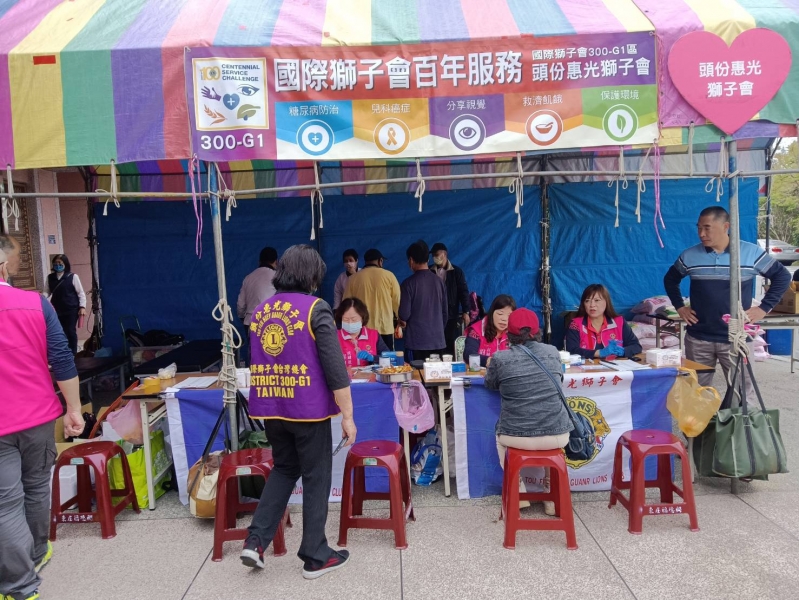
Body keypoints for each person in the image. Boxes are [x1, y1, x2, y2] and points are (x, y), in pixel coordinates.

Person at [243, 244, 356, 580]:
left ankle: (255, 541)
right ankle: (315, 554)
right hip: (308, 410)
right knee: (316, 476)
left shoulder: (261, 311)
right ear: (311, 276)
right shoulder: (315, 309)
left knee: (284, 469)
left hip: (272, 408)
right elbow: (335, 369)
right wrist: (348, 417)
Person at [1, 235, 85, 600]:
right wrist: (73, 408)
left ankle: (19, 587)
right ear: (4, 265)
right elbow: (62, 358)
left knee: (6, 504)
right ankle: (35, 555)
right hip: (37, 416)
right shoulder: (36, 303)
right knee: (35, 488)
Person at [664, 206, 791, 396]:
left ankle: (739, 417)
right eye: (699, 228)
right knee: (697, 393)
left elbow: (782, 276)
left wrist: (764, 308)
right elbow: (670, 279)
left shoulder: (750, 253)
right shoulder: (689, 256)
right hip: (699, 337)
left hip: (736, 338)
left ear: (725, 226)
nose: (701, 233)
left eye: (707, 228)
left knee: (742, 394)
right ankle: (703, 417)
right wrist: (680, 307)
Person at [484, 308, 573, 516]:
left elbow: (490, 384)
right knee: (553, 442)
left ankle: (519, 492)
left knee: (499, 439)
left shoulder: (500, 358)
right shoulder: (552, 352)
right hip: (558, 435)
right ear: (537, 331)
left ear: (509, 333)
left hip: (515, 435)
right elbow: (559, 379)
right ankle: (549, 496)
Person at [398, 240, 448, 362]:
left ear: (411, 260)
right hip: (437, 341)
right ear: (428, 259)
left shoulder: (408, 284)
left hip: (416, 342)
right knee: (435, 373)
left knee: (416, 373)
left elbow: (404, 314)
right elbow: (445, 313)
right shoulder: (439, 282)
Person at [343, 248, 400, 351]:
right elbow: (397, 302)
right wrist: (400, 321)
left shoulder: (353, 279)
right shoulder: (389, 276)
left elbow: (346, 305)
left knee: (364, 358)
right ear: (380, 261)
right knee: (387, 359)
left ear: (365, 262)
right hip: (385, 328)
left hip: (362, 330)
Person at [565, 284, 642, 360]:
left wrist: (623, 351)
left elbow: (636, 346)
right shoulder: (575, 324)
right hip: (586, 367)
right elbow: (571, 350)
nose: (592, 305)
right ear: (583, 304)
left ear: (606, 302)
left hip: (615, 366)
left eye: (597, 300)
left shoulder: (619, 322)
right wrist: (599, 353)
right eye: (587, 301)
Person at [429, 242, 471, 354]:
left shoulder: (456, 271)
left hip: (451, 313)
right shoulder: (429, 271)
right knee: (434, 344)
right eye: (433, 255)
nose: (434, 257)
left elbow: (463, 292)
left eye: (436, 255)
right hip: (433, 314)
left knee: (450, 342)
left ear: (444, 254)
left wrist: (466, 311)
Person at [45, 254, 87, 355]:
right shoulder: (50, 277)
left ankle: (73, 352)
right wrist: (41, 298)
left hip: (71, 309)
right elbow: (47, 291)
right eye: (55, 263)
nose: (57, 265)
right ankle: (63, 351)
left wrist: (82, 307)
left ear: (65, 264)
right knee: (59, 331)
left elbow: (81, 293)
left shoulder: (73, 276)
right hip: (56, 309)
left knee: (70, 330)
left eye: (60, 263)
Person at [335, 297, 389, 367]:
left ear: (362, 318)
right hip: (345, 374)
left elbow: (389, 358)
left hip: (370, 374)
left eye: (354, 319)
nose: (350, 323)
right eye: (346, 319)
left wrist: (373, 358)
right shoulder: (335, 336)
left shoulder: (373, 335)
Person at [464, 294, 516, 367]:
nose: (504, 319)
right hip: (482, 372)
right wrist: (488, 361)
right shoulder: (477, 330)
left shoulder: (514, 332)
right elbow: (468, 354)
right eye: (500, 314)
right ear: (492, 313)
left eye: (509, 315)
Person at [237, 246, 278, 327]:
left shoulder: (248, 278)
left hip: (251, 321)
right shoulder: (278, 277)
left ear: (259, 261)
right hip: (271, 321)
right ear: (276, 262)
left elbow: (240, 305)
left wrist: (243, 317)